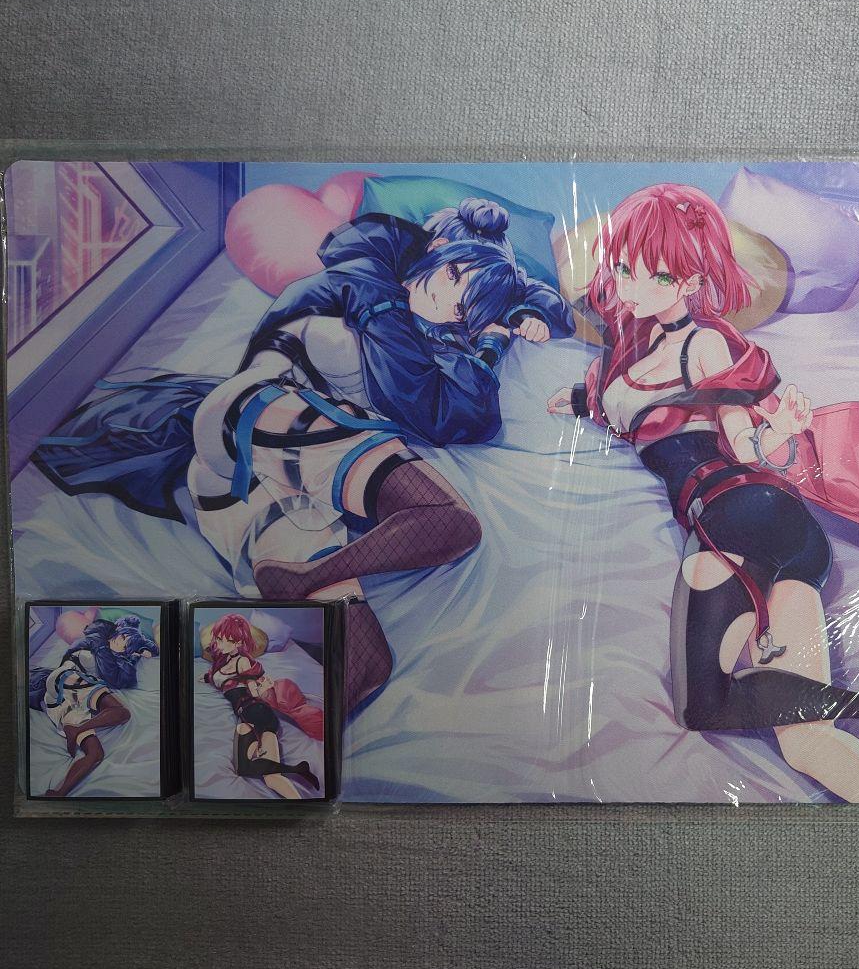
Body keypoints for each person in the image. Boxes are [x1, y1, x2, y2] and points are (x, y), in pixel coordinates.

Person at [547, 183, 859, 802]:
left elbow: (743, 444)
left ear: (690, 283)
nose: (629, 283)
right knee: (805, 741)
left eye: (650, 273)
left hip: (735, 516)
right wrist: (577, 398)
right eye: (624, 267)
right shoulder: (632, 348)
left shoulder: (705, 343)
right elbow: (617, 398)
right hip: (778, 534)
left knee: (701, 706)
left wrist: (781, 431)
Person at [34, 199, 576, 715]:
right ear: (436, 252)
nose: (450, 309)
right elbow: (447, 413)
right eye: (455, 281)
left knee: (366, 665)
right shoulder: (370, 289)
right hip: (261, 415)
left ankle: (293, 608)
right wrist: (495, 336)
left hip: (239, 482)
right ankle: (305, 575)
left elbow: (517, 347)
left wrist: (516, 316)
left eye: (467, 310)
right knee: (447, 519)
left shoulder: (419, 323)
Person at [201, 613, 321, 799]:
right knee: (244, 769)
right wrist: (207, 677)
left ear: (238, 643)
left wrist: (263, 688)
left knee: (271, 778)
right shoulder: (223, 661)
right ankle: (297, 769)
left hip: (259, 714)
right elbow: (216, 675)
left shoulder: (243, 661)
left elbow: (254, 691)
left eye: (225, 640)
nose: (219, 643)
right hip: (247, 716)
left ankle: (299, 798)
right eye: (218, 638)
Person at [29, 655, 131, 797]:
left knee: (96, 754)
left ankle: (60, 793)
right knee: (122, 713)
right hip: (61, 682)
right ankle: (78, 729)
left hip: (57, 702)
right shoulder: (72, 664)